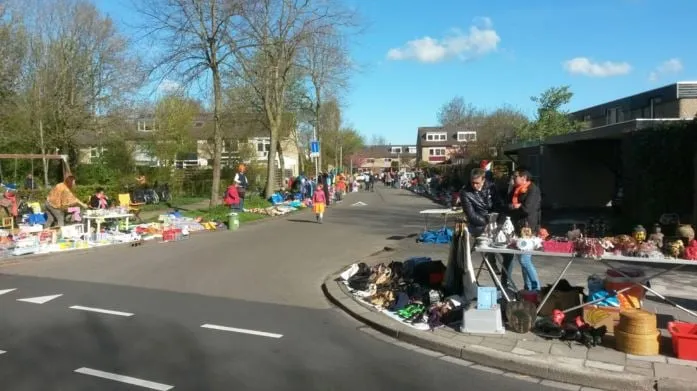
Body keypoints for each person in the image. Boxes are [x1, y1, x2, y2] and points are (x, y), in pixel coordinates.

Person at [501, 168, 542, 292]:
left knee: (524, 259)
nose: (513, 179)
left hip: (529, 228)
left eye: (515, 177)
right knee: (521, 259)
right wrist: (514, 206)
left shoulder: (533, 190)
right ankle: (528, 288)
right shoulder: (514, 189)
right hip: (516, 227)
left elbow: (527, 209)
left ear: (524, 178)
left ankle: (536, 288)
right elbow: (507, 205)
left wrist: (517, 207)